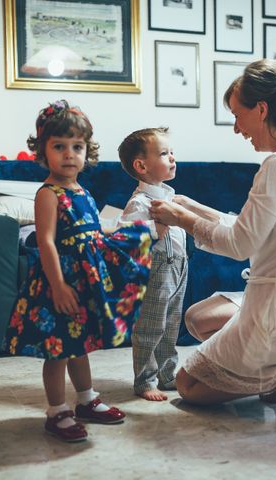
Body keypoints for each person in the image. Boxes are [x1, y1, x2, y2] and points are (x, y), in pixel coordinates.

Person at [150, 59, 276, 424]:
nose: (237, 129)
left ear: (263, 109)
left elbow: (240, 246)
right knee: (198, 318)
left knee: (187, 384)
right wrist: (196, 208)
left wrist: (181, 219)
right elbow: (259, 230)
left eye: (238, 116)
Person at [4, 100, 152, 442]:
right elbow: (46, 243)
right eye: (59, 146)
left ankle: (86, 399)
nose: (69, 154)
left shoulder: (83, 190)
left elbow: (95, 234)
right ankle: (57, 411)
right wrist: (57, 285)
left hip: (84, 281)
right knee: (58, 349)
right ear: (43, 151)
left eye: (77, 147)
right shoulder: (48, 194)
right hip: (59, 283)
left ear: (87, 151)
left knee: (79, 344)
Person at [118, 127, 189, 401]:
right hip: (157, 268)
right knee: (151, 325)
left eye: (171, 152)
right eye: (164, 153)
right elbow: (128, 236)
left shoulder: (170, 197)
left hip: (179, 265)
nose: (172, 158)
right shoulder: (139, 202)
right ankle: (145, 380)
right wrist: (155, 225)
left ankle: (168, 374)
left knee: (171, 324)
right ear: (141, 165)